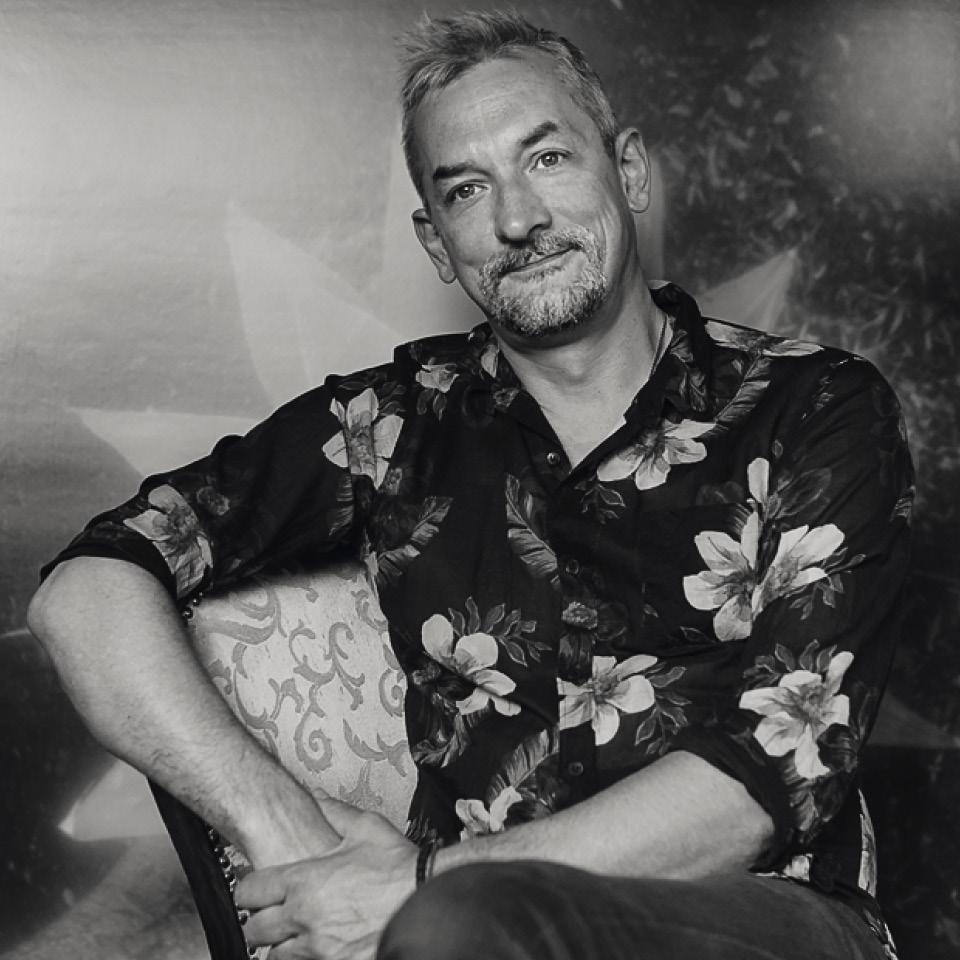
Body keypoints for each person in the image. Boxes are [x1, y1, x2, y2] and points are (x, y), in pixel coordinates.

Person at [29, 10, 912, 960]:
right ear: (435, 241)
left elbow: (772, 774)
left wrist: (418, 887)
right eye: (466, 189)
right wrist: (286, 833)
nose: (517, 220)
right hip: (463, 941)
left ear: (630, 172)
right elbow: (84, 593)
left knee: (458, 925)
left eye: (548, 159)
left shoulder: (817, 406)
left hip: (763, 917)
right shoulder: (390, 425)